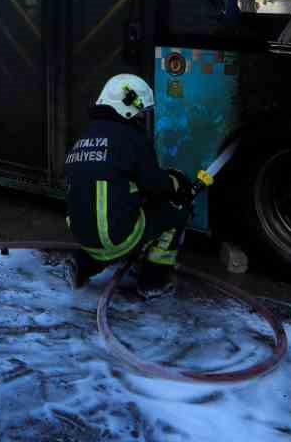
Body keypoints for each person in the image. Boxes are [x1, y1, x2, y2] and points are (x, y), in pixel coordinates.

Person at [61, 74, 193, 300]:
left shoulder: (84, 138)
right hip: (116, 239)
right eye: (141, 113)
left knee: (112, 225)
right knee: (177, 208)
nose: (142, 118)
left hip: (81, 235)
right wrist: (178, 181)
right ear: (128, 107)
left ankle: (83, 263)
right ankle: (154, 279)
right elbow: (158, 187)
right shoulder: (132, 139)